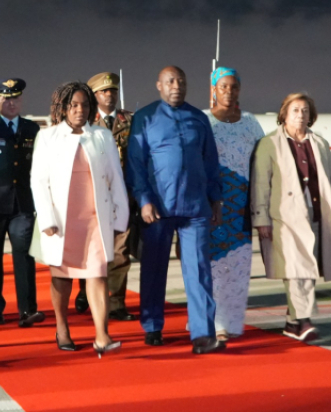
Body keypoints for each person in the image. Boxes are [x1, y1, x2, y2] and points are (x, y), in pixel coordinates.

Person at [126, 66, 223, 354]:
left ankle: (203, 333)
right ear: (159, 85)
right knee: (154, 269)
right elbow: (135, 163)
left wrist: (215, 199)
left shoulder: (199, 118)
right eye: (170, 81)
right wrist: (144, 199)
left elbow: (210, 161)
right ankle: (153, 326)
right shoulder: (145, 118)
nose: (176, 86)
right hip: (158, 207)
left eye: (181, 81)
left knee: (199, 271)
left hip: (195, 207)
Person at [30, 82, 129, 356]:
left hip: (96, 219)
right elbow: (38, 181)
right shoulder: (47, 137)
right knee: (62, 278)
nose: (79, 110)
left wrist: (120, 217)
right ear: (63, 108)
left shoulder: (101, 136)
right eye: (73, 105)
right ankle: (62, 328)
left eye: (84, 105)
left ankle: (102, 336)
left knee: (97, 274)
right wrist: (47, 219)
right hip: (62, 221)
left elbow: (115, 178)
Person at [252, 93, 331, 341]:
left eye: (305, 110)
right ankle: (305, 320)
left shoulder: (320, 143)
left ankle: (292, 322)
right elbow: (260, 185)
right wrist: (261, 218)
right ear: (284, 114)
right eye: (295, 110)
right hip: (284, 218)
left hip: (316, 214)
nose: (300, 115)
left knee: (307, 268)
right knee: (296, 269)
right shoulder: (269, 144)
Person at [204, 67, 265, 344]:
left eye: (234, 86)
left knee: (239, 264)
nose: (229, 91)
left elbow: (262, 160)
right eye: (223, 86)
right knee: (214, 265)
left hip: (241, 204)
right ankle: (215, 322)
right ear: (214, 89)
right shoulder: (204, 121)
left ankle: (232, 321)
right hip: (213, 203)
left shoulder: (251, 122)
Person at [72, 71, 137, 321]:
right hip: (92, 197)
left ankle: (116, 302)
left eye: (113, 91)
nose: (109, 95)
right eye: (103, 91)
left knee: (120, 251)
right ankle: (85, 289)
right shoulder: (83, 122)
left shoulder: (130, 120)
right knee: (92, 251)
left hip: (122, 196)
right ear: (94, 95)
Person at [0, 78, 43, 328]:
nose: (12, 103)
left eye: (15, 97)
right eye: (5, 99)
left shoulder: (31, 128)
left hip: (22, 203)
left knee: (24, 257)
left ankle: (27, 309)